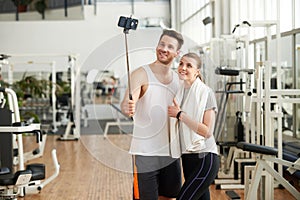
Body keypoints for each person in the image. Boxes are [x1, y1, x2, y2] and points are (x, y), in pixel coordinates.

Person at [121, 29, 184, 200]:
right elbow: (127, 101)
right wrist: (128, 105)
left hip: (171, 151)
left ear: (177, 53)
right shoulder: (141, 73)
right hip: (146, 152)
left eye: (170, 46)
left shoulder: (180, 79)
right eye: (161, 44)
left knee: (170, 196)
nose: (164, 48)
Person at [168, 52, 219, 200]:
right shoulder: (179, 91)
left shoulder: (205, 93)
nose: (183, 68)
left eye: (189, 65)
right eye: (181, 63)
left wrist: (180, 114)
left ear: (197, 71)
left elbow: (207, 131)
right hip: (187, 156)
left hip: (205, 157)